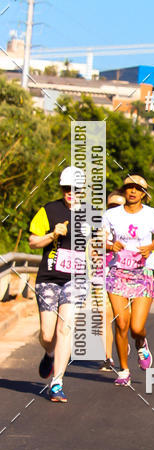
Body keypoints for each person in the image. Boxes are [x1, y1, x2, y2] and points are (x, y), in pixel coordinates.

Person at [28, 166, 86, 403]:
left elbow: (100, 245)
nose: (70, 192)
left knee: (66, 328)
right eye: (66, 188)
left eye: (75, 188)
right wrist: (52, 235)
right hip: (49, 278)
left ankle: (57, 383)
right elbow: (33, 242)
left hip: (77, 279)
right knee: (47, 333)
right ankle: (49, 353)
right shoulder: (48, 210)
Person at [103, 175, 154, 385]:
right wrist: (111, 247)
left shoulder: (152, 214)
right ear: (124, 190)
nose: (132, 191)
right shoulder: (111, 214)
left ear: (144, 194)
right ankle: (123, 370)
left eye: (138, 188)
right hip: (117, 271)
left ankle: (140, 343)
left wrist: (150, 247)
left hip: (143, 272)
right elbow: (101, 241)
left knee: (136, 327)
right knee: (121, 323)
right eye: (129, 187)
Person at [98, 190, 126, 372]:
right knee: (104, 316)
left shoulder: (131, 225)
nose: (114, 209)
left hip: (125, 275)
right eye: (111, 206)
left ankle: (122, 343)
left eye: (118, 206)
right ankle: (107, 357)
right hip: (102, 274)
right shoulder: (101, 224)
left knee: (122, 320)